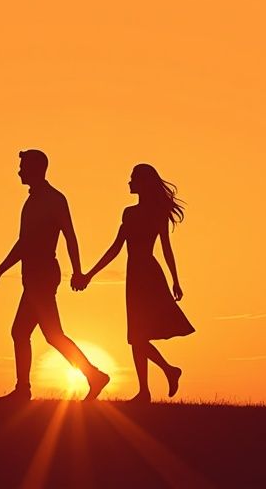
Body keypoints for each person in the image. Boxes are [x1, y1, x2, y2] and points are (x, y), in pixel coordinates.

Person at [0, 149, 110, 401]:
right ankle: (31, 387)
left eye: (23, 167)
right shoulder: (32, 202)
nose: (19, 171)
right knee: (31, 333)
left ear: (36, 169)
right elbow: (23, 243)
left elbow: (69, 235)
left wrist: (77, 271)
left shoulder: (54, 200)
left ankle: (89, 376)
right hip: (32, 276)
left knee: (41, 333)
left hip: (43, 275)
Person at [74, 163, 195, 403]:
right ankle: (155, 382)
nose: (129, 182)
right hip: (135, 276)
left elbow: (166, 248)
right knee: (137, 335)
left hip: (149, 277)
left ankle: (154, 383)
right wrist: (90, 274)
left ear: (144, 183)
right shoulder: (129, 213)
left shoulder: (156, 214)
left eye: (133, 178)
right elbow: (115, 248)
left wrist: (175, 280)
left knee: (138, 335)